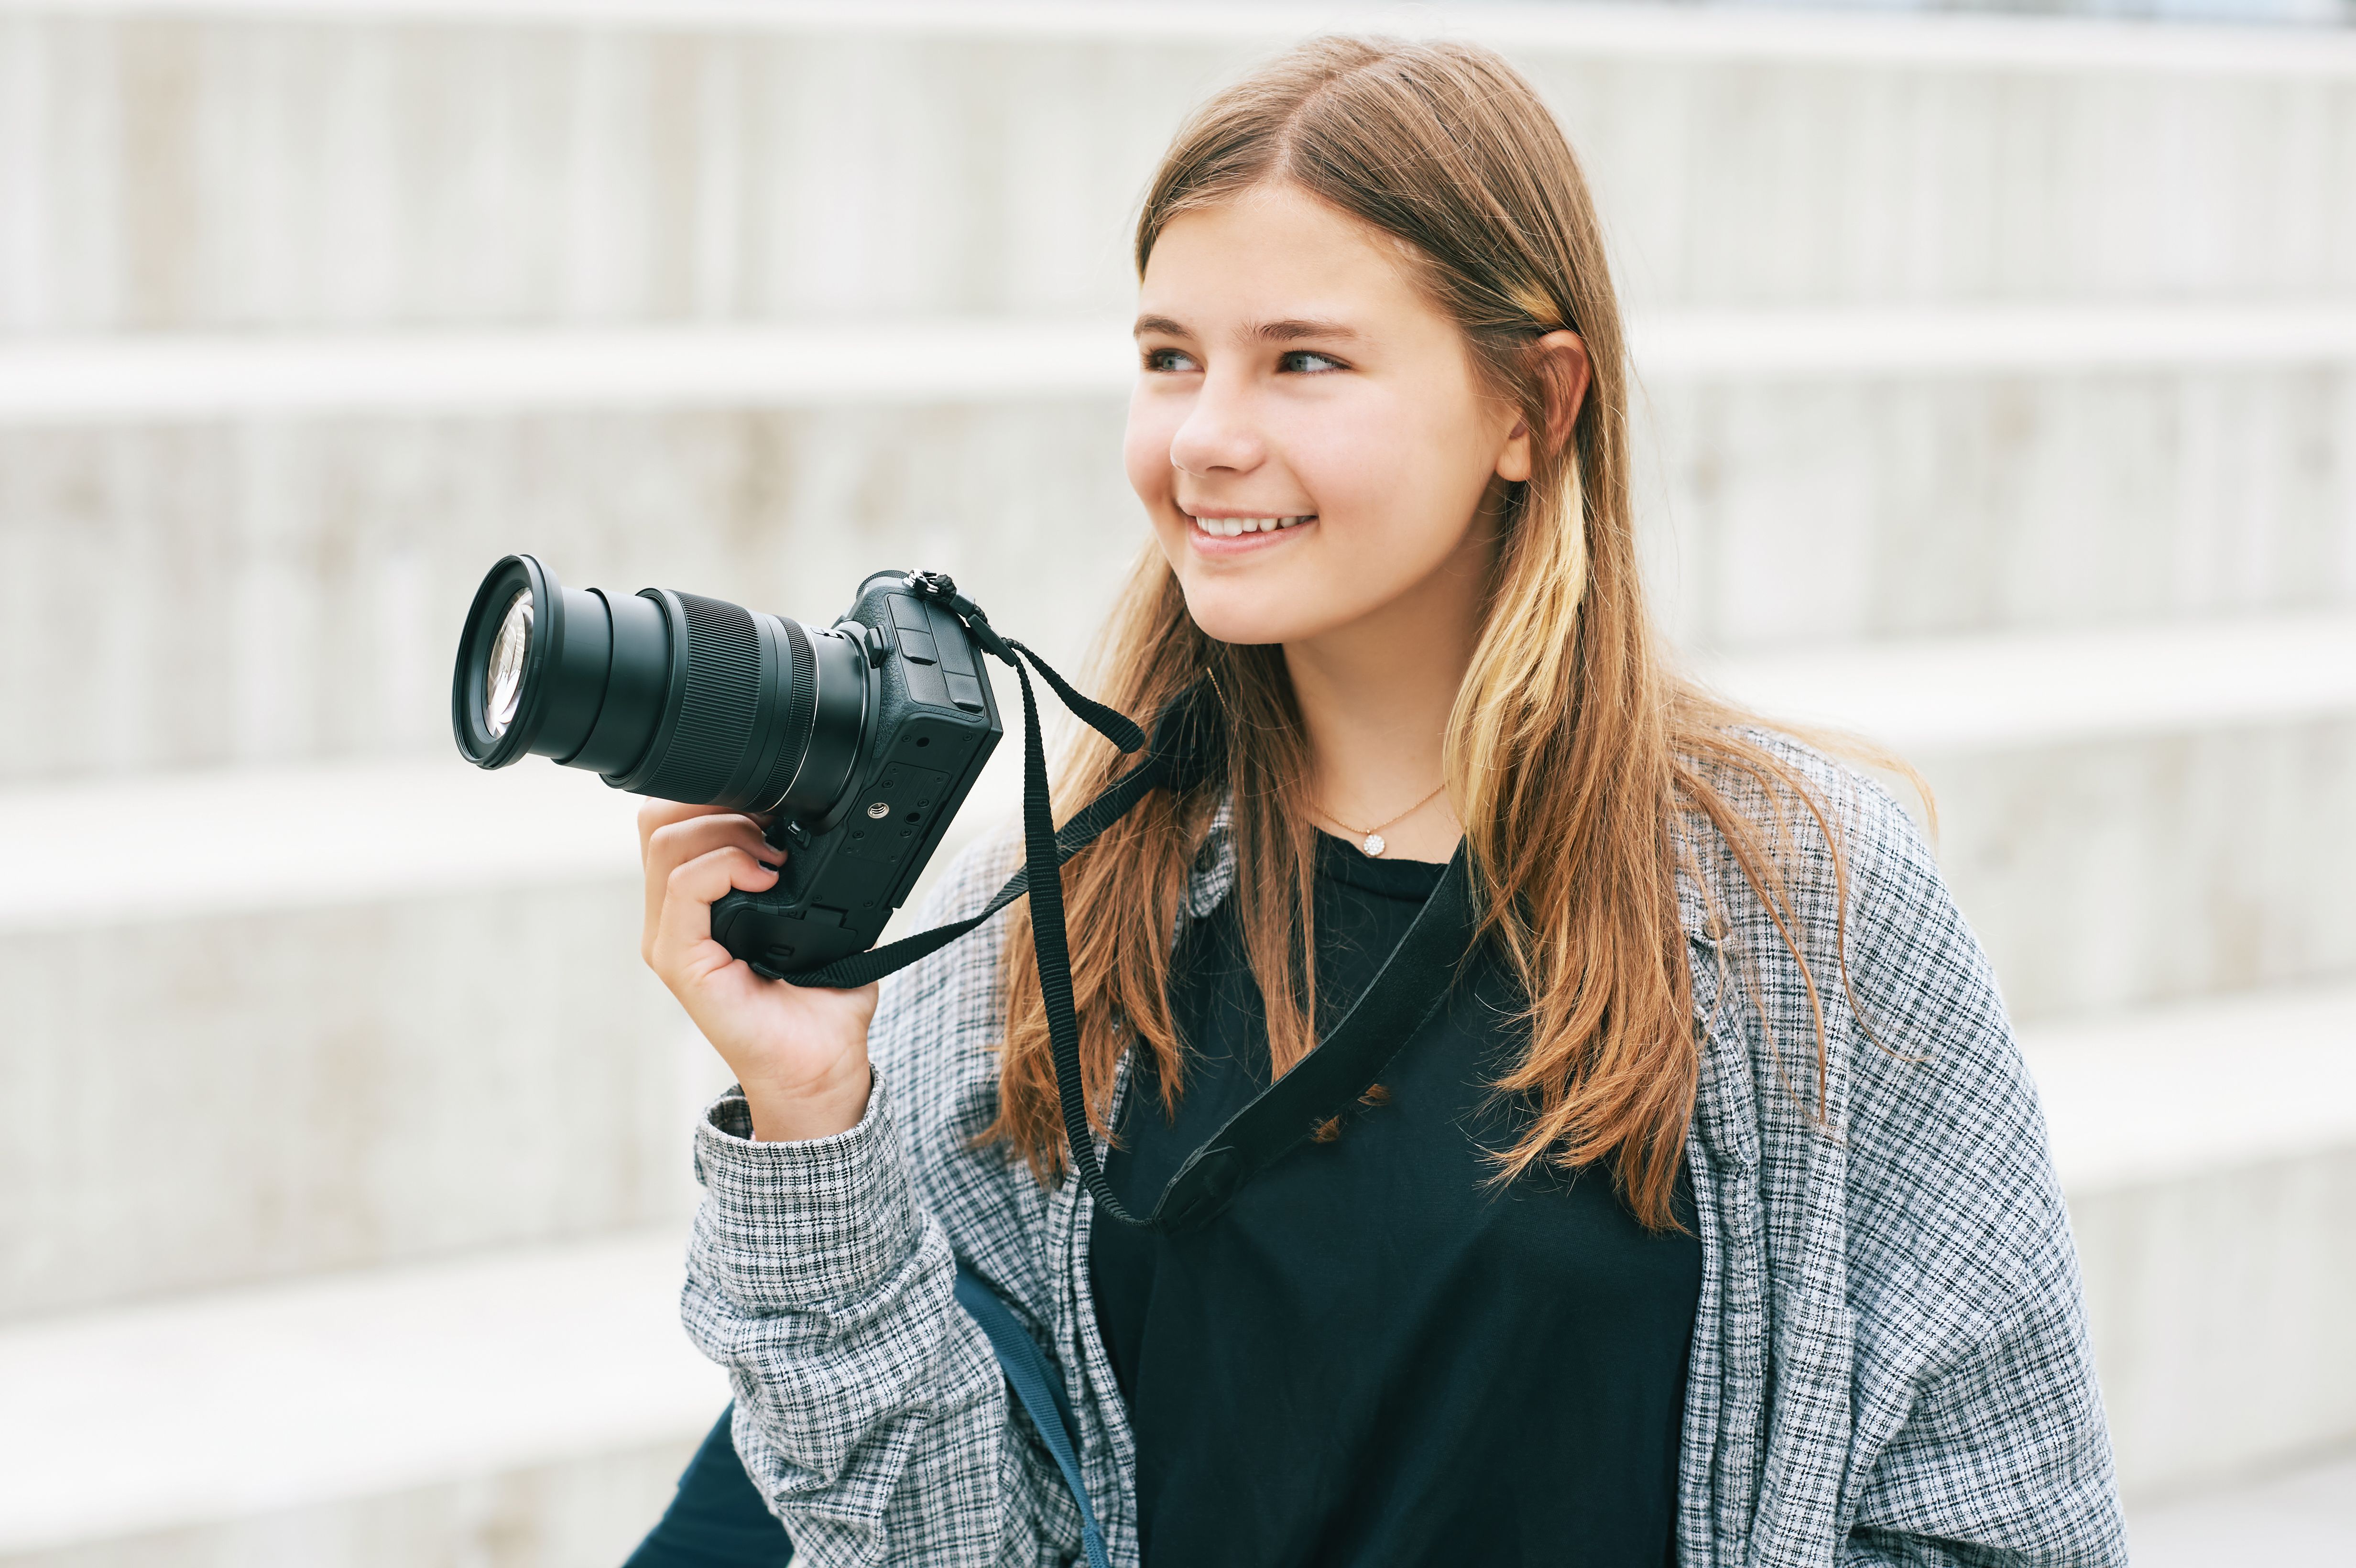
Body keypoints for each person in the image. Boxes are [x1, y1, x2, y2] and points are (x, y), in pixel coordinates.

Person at [626, 35, 2126, 1568]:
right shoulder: (1039, 930)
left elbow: (2004, 1524)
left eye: (1305, 359)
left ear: (1533, 406)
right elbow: (938, 1546)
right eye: (1168, 357)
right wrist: (810, 1115)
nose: (1207, 434)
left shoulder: (1802, 901)